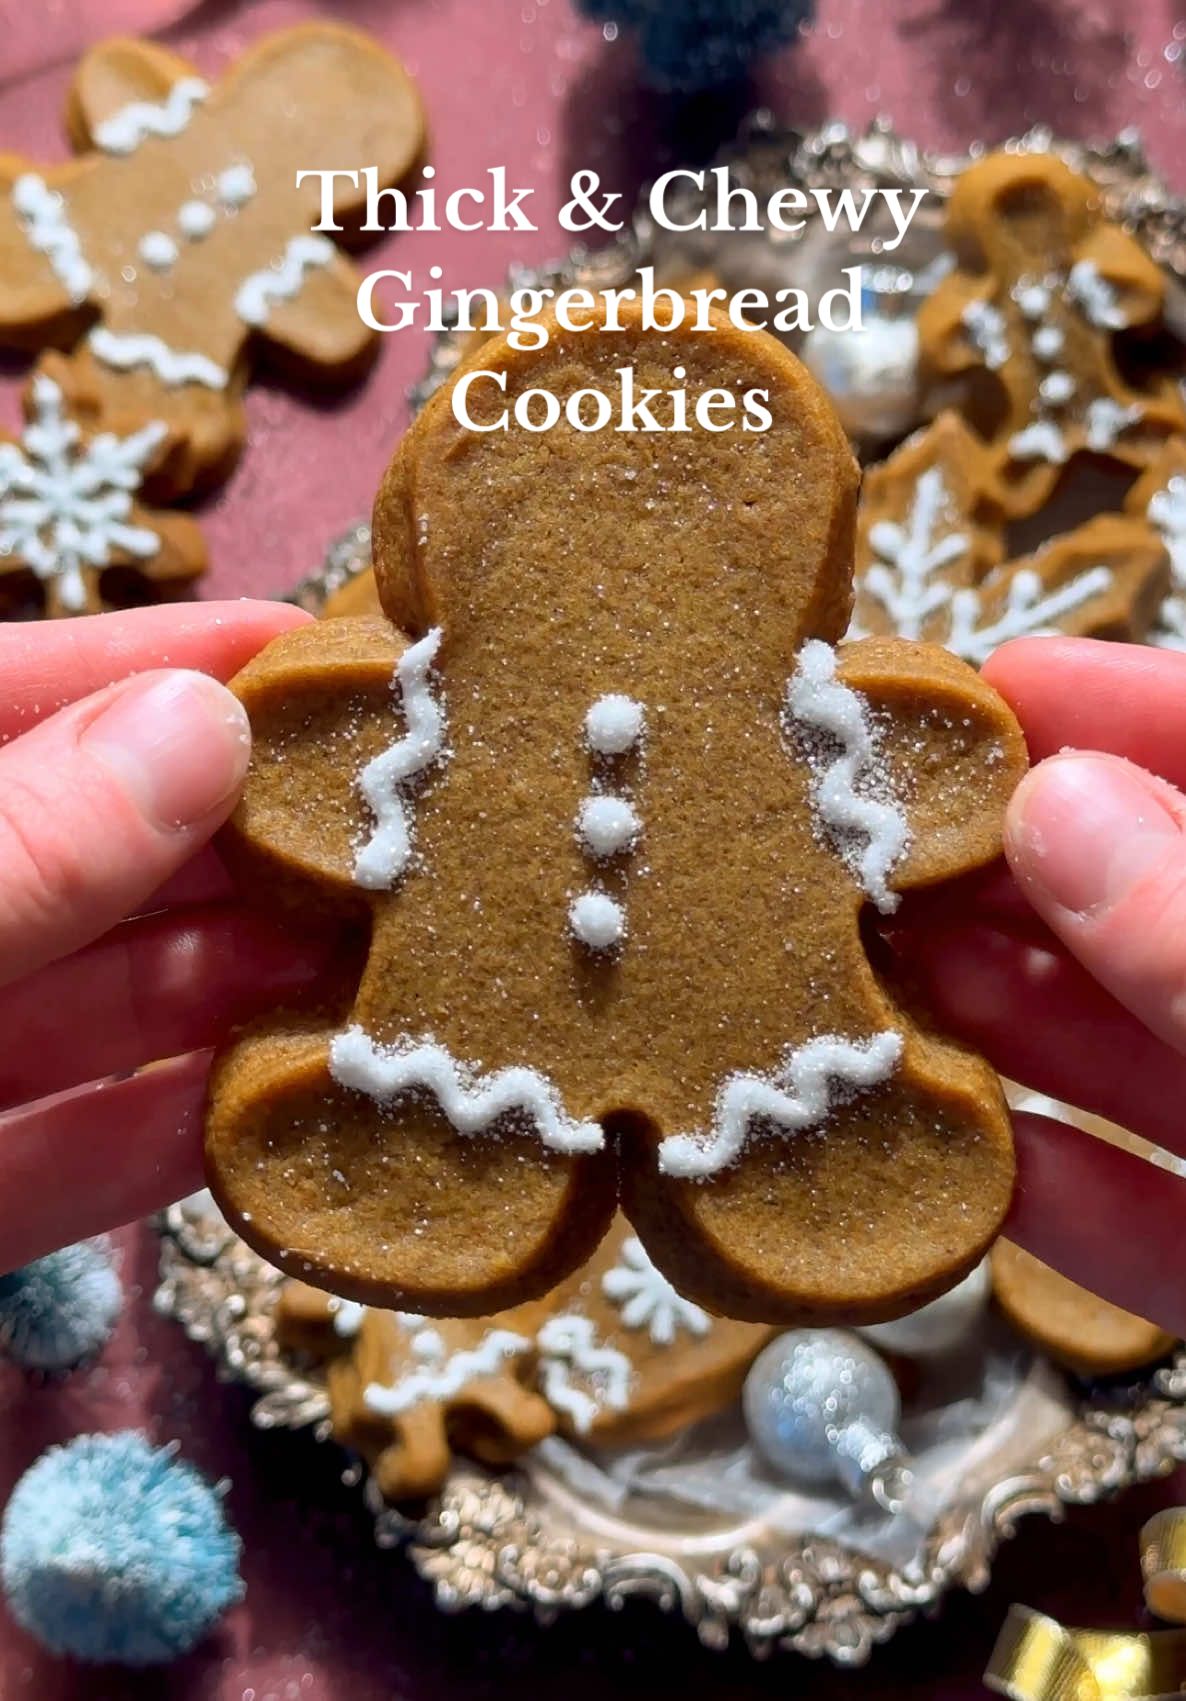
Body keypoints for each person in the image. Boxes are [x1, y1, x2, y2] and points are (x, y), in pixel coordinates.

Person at [0, 608, 1182, 1333]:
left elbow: (953, 766)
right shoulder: (375, 720)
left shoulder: (846, 733)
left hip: (784, 1087)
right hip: (457, 1074)